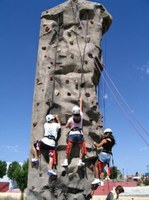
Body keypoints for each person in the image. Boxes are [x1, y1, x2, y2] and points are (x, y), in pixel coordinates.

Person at [61, 96, 87, 167]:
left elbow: (66, 126)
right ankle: (80, 161)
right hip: (79, 134)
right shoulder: (81, 116)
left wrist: (69, 125)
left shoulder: (71, 118)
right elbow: (81, 107)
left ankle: (66, 161)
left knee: (69, 147)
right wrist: (81, 100)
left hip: (72, 134)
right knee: (81, 148)